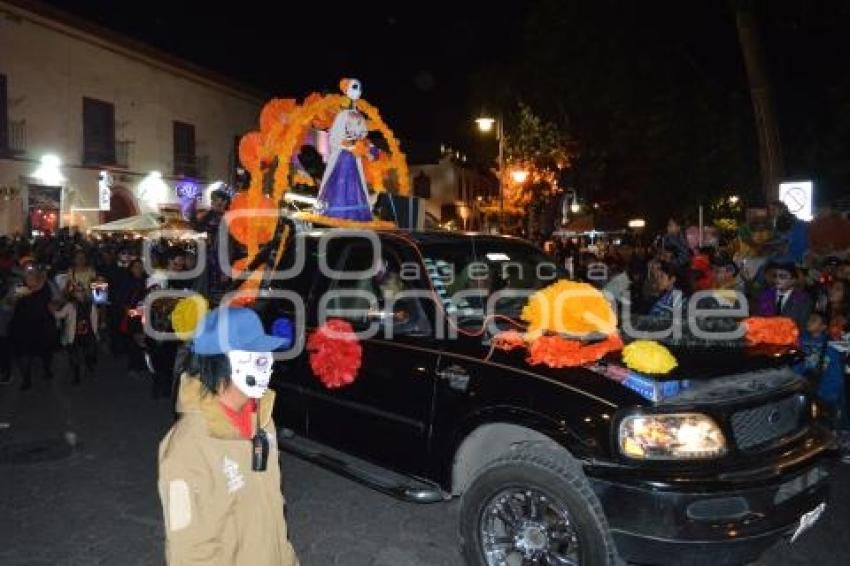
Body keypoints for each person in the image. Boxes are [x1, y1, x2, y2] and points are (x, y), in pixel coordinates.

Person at [158, 307, 298, 566]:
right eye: (256, 355)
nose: (268, 364)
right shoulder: (188, 445)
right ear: (222, 362)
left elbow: (275, 509)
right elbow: (188, 550)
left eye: (267, 355)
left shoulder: (262, 421)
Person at [10, 265, 58, 390]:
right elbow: (8, 305)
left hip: (44, 323)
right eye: (27, 272)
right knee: (23, 352)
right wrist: (14, 299)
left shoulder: (47, 284)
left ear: (38, 272)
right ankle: (26, 379)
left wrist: (54, 304)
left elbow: (59, 299)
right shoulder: (19, 286)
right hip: (22, 325)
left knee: (46, 349)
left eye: (32, 271)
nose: (30, 274)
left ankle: (47, 368)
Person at [53, 282, 98, 384]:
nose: (79, 293)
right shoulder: (70, 305)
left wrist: (95, 333)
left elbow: (94, 320)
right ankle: (77, 375)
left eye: (81, 291)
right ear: (73, 294)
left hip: (88, 334)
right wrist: (53, 310)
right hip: (74, 335)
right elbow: (60, 315)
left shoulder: (91, 305)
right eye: (77, 291)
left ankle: (89, 367)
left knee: (88, 354)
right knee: (74, 356)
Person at [755, 260, 812, 331]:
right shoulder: (765, 295)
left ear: (793, 280)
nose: (777, 279)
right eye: (775, 276)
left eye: (782, 277)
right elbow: (759, 319)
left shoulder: (803, 299)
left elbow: (801, 325)